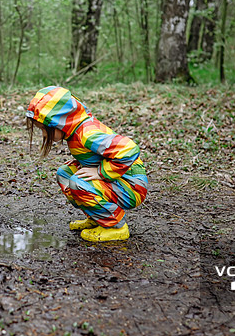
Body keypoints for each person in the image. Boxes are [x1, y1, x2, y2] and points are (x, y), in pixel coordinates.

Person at [25, 86, 148, 242]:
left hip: (131, 186)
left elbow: (129, 150)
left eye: (44, 129)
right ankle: (97, 217)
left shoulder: (87, 134)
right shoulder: (74, 132)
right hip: (117, 180)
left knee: (79, 183)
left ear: (60, 121)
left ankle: (116, 226)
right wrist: (84, 162)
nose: (43, 135)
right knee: (64, 173)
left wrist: (99, 172)